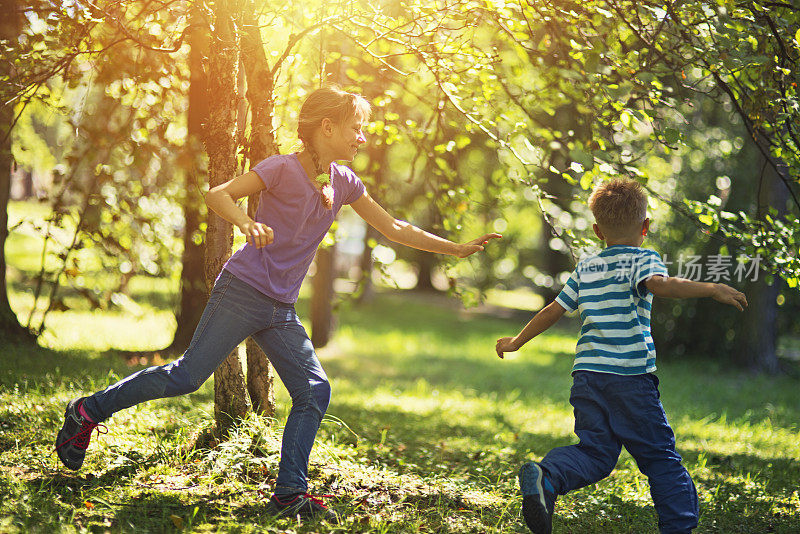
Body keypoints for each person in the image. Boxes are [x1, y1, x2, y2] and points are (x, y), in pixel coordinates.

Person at [55, 85, 501, 522]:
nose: (361, 138)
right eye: (355, 128)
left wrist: (457, 249)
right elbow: (218, 195)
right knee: (187, 376)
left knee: (313, 391)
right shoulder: (280, 168)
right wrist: (247, 222)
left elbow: (395, 228)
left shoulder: (343, 182)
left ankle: (289, 492)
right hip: (243, 290)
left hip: (280, 309)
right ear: (327, 127)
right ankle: (87, 411)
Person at [495, 179, 747, 534]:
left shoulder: (587, 267)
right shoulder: (645, 258)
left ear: (598, 230)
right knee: (660, 458)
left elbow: (554, 309)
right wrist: (712, 287)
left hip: (588, 378)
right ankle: (679, 528)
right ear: (645, 227)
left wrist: (518, 341)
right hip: (630, 378)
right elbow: (662, 285)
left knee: (596, 454)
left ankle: (548, 476)